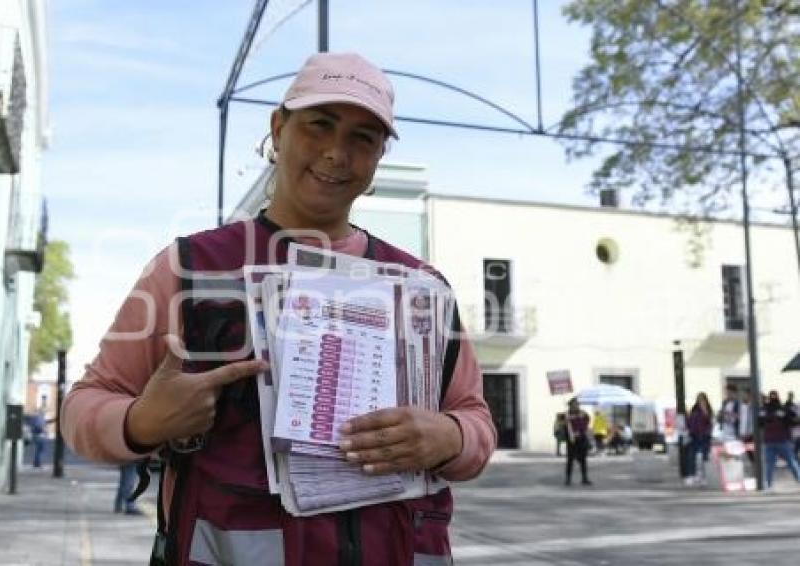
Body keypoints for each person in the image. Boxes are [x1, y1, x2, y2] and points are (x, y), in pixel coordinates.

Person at [61, 52, 496, 565]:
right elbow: (81, 409)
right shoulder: (187, 268)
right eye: (319, 125)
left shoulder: (423, 288)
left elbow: (476, 421)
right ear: (278, 129)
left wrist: (449, 436)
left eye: (363, 138)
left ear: (379, 157)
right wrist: (142, 422)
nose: (337, 153)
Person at [759, 390, 800, 489]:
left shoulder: (765, 409)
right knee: (790, 462)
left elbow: (759, 423)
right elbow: (792, 421)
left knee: (772, 464)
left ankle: (769, 485)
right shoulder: (781, 409)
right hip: (780, 440)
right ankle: (769, 484)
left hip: (773, 440)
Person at [683, 392, 713, 486]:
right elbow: (690, 421)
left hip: (704, 436)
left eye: (702, 399)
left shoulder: (708, 410)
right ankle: (693, 475)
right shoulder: (694, 409)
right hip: (694, 435)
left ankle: (703, 477)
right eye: (699, 399)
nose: (700, 402)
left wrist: (705, 411)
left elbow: (709, 421)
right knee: (692, 456)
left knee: (703, 457)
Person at [564, 398, 592, 486]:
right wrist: (568, 421)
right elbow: (563, 426)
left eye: (577, 404)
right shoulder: (566, 415)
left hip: (582, 439)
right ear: (570, 406)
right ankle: (568, 479)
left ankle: (584, 478)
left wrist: (582, 417)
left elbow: (587, 421)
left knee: (583, 460)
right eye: (574, 404)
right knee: (570, 460)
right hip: (571, 441)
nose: (576, 406)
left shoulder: (583, 413)